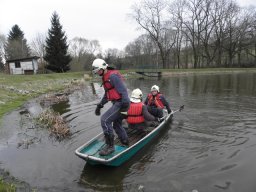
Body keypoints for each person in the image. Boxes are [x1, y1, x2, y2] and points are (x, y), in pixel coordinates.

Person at [92, 58, 130, 156]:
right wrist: (100, 105)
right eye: (96, 71)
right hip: (117, 103)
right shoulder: (105, 77)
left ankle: (110, 146)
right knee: (116, 125)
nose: (98, 72)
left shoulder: (113, 77)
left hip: (122, 103)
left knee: (105, 120)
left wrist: (125, 107)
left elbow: (124, 91)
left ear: (104, 67)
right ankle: (125, 141)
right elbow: (107, 94)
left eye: (99, 70)